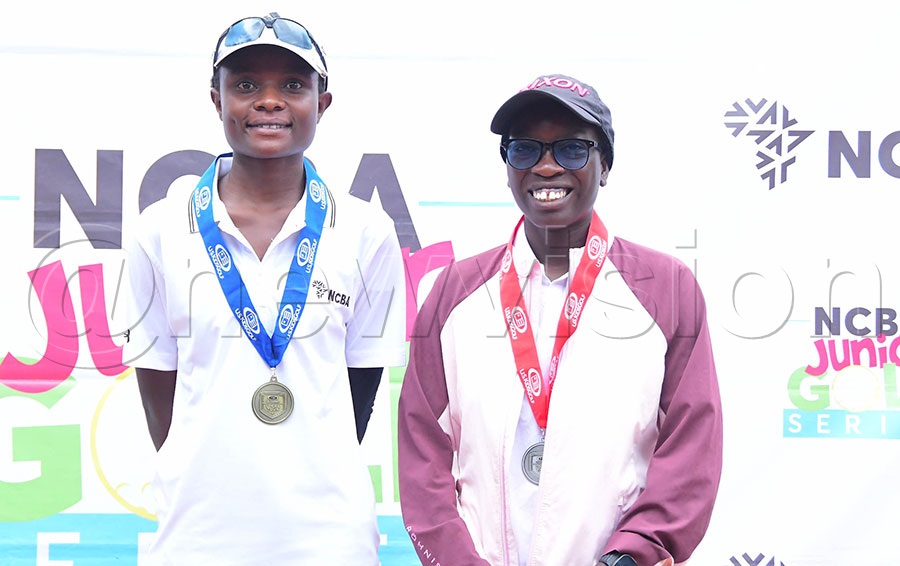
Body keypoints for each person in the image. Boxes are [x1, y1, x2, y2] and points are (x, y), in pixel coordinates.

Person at [397, 73, 723, 566]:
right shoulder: (454, 291)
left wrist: (630, 556)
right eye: (525, 149)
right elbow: (423, 450)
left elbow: (691, 449)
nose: (546, 167)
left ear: (605, 165)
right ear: (508, 166)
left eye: (571, 150)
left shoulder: (666, 289)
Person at [123, 12, 406, 564]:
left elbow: (359, 391)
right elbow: (159, 390)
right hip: (197, 534)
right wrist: (205, 470)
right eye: (247, 85)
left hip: (328, 538)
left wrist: (306, 461)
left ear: (322, 103)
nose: (270, 101)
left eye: (293, 85)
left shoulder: (366, 231)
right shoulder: (159, 229)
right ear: (217, 100)